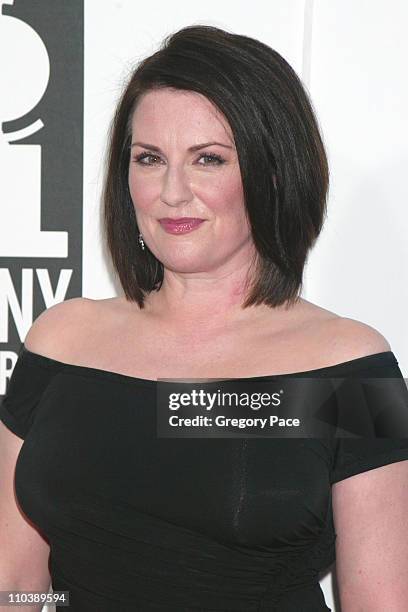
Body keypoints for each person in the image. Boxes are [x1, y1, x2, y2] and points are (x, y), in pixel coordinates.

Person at [1, 23, 408, 612]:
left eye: (208, 159)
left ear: (272, 175)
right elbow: (16, 579)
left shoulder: (351, 372)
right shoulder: (61, 339)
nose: (172, 192)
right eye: (149, 159)